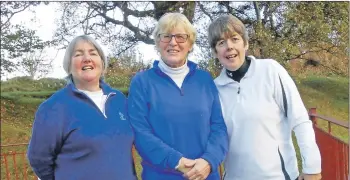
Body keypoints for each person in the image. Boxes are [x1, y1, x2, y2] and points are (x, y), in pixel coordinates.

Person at [208, 14, 322, 180]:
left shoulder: (270, 70)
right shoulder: (215, 89)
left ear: (245, 43)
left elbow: (299, 120)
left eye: (234, 39)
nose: (229, 47)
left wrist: (312, 167)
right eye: (221, 43)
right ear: (215, 52)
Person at [128, 13, 228, 180]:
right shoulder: (142, 82)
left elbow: (219, 127)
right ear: (158, 43)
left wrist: (208, 161)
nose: (173, 42)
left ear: (190, 44)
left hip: (206, 175)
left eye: (181, 37)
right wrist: (177, 162)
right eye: (166, 36)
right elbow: (140, 133)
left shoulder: (204, 80)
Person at [27, 35, 136, 180]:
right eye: (78, 54)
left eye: (93, 53)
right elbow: (39, 160)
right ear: (69, 66)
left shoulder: (119, 99)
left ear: (101, 62)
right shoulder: (54, 107)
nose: (87, 58)